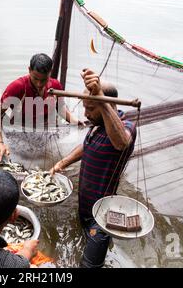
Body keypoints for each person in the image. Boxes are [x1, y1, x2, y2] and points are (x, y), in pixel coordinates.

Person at [50, 69, 137, 268]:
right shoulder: (97, 124)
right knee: (84, 244)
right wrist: (63, 162)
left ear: (109, 105)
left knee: (88, 266)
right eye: (85, 107)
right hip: (85, 206)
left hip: (103, 216)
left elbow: (121, 143)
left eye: (91, 108)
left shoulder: (126, 127)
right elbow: (88, 145)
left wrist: (101, 100)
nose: (86, 114)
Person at [0, 53, 84, 164]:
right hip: (19, 135)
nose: (39, 84)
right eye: (35, 78)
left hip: (45, 134)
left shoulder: (55, 86)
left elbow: (60, 108)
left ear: (50, 73)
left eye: (44, 80)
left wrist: (74, 121)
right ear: (29, 70)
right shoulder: (18, 86)